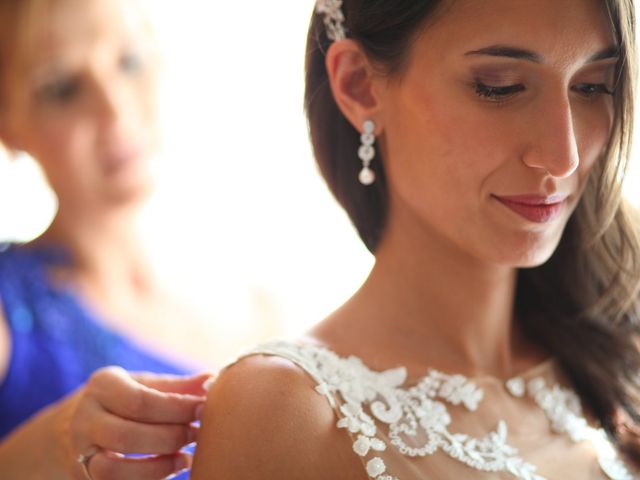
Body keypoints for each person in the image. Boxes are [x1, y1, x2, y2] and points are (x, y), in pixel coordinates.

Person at [192, 0, 640, 479]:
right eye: (499, 88)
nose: (562, 156)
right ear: (359, 85)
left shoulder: (621, 356)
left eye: (593, 86)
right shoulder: (285, 413)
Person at [0, 0, 213, 478]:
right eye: (62, 89)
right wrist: (48, 451)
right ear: (7, 123)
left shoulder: (261, 298)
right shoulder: (9, 317)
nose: (114, 110)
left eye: (130, 61)